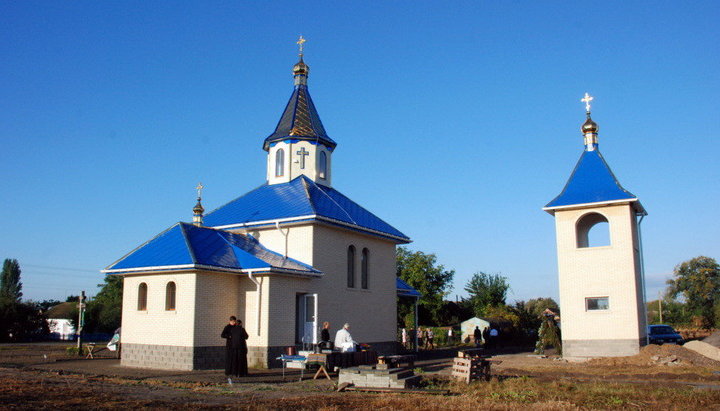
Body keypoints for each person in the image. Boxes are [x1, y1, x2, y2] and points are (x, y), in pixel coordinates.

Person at [221, 316, 249, 384]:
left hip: (234, 346)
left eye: (235, 322)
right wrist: (229, 336)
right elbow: (222, 335)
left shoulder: (235, 328)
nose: (234, 323)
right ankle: (229, 372)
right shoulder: (227, 327)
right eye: (233, 321)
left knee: (234, 360)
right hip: (230, 346)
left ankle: (234, 371)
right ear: (230, 321)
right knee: (230, 360)